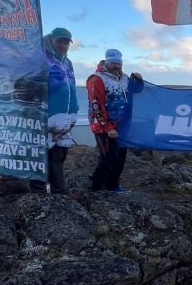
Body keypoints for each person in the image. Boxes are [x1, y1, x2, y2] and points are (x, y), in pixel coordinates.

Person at [87, 48, 144, 192]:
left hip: (121, 125)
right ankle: (96, 187)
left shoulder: (125, 78)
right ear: (106, 62)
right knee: (108, 155)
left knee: (120, 156)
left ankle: (112, 185)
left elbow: (136, 91)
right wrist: (108, 127)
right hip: (102, 126)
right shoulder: (97, 79)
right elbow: (96, 104)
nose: (116, 66)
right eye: (113, 63)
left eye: (119, 63)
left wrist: (139, 81)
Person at [31, 27, 78, 195]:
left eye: (66, 42)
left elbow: (71, 88)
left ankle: (59, 190)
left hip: (64, 119)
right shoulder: (40, 59)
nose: (63, 45)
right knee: (40, 156)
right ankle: (38, 194)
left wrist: (75, 109)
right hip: (45, 117)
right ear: (51, 40)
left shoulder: (67, 62)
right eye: (60, 41)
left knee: (58, 155)